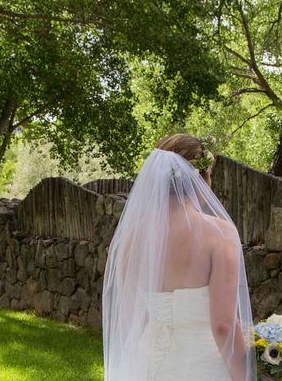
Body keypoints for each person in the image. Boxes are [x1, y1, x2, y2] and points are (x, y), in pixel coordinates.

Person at [102, 134, 256, 380]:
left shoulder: (130, 238)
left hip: (146, 364)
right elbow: (223, 326)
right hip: (203, 367)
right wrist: (245, 376)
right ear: (201, 179)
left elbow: (133, 319)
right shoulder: (220, 234)